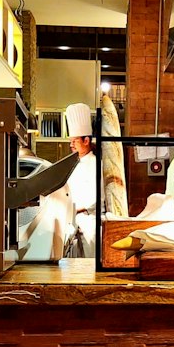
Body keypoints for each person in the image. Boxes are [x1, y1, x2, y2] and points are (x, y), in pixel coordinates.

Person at [64, 103, 98, 255]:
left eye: (75, 141)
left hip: (90, 220)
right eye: (70, 141)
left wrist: (79, 209)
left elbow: (98, 197)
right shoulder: (71, 163)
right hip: (70, 218)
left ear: (86, 141)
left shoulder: (96, 163)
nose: (71, 145)